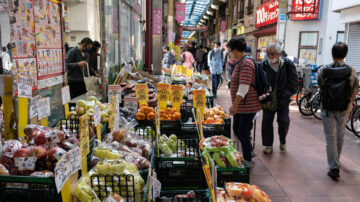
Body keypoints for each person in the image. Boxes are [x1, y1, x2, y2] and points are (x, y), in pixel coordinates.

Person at [318, 42, 358, 180]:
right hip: (344, 108)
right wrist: (351, 104)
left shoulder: (324, 70)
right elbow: (354, 89)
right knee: (340, 136)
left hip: (328, 108)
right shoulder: (351, 71)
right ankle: (336, 162)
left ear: (332, 54)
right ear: (345, 54)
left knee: (330, 138)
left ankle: (333, 167)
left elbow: (321, 85)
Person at [228, 37, 261, 162]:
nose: (230, 53)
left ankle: (247, 158)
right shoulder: (240, 62)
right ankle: (249, 151)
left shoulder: (246, 63)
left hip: (248, 105)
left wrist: (235, 105)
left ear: (236, 50)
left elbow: (244, 87)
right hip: (242, 105)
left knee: (242, 131)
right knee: (237, 129)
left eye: (231, 50)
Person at [261, 44, 298, 154]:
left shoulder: (288, 65)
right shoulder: (264, 65)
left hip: (283, 99)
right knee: (267, 122)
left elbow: (294, 83)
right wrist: (263, 95)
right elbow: (259, 82)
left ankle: (282, 140)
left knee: (284, 121)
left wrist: (285, 96)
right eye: (268, 54)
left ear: (279, 54)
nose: (270, 56)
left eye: (273, 54)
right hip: (268, 99)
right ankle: (268, 145)